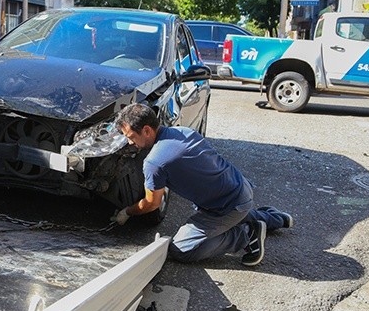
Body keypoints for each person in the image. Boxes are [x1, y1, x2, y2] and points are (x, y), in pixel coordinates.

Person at [111, 103, 293, 267]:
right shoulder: (183, 131)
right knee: (238, 211)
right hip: (239, 188)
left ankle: (246, 235)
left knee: (181, 250)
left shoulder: (154, 162)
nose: (130, 142)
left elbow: (152, 204)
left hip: (225, 207)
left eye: (131, 136)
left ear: (147, 130)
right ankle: (276, 219)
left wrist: (127, 212)